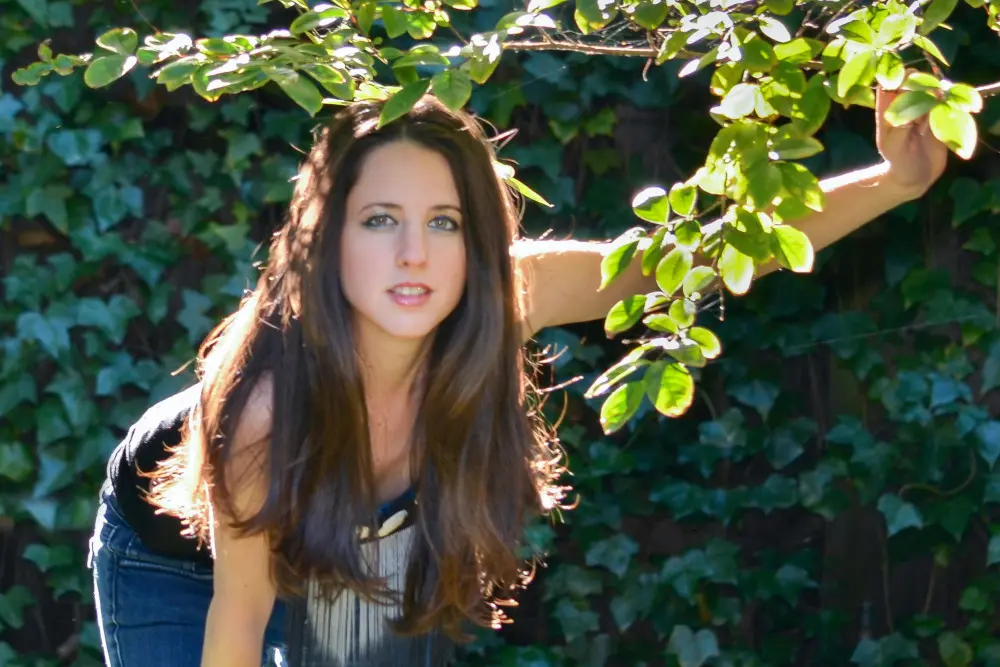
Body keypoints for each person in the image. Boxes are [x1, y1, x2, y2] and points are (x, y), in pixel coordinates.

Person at [86, 89, 947, 667]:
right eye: (380, 220)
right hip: (179, 563)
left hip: (352, 545)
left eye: (445, 222)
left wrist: (898, 180)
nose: (414, 253)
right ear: (328, 241)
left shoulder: (495, 295)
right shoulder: (270, 414)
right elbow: (237, 621)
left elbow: (686, 260)